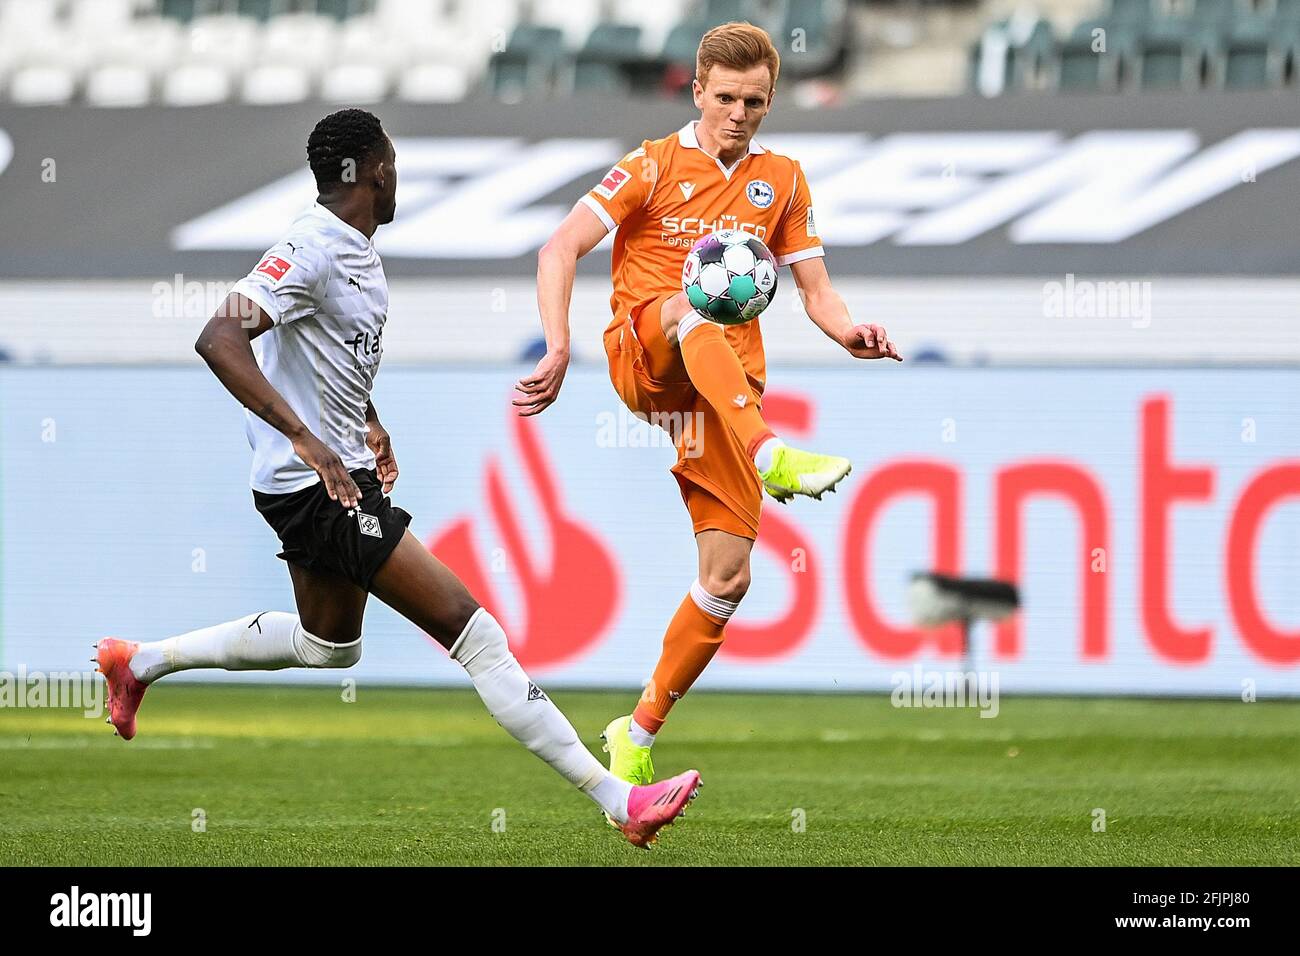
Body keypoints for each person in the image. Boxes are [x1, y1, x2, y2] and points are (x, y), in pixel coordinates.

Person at [95, 108, 699, 849]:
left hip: (331, 480)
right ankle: (619, 799)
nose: (396, 176)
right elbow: (218, 337)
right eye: (393, 165)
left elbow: (324, 351)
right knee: (473, 632)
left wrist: (365, 420)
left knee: (330, 647)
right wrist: (308, 440)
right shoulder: (311, 246)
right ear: (375, 171)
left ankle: (141, 660)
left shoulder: (353, 247)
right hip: (321, 489)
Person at [521, 23, 902, 793]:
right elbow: (558, 248)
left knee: (728, 579)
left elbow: (816, 290)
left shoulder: (784, 181)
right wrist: (558, 345)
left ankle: (638, 729)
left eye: (753, 101)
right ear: (697, 91)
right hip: (647, 354)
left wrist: (850, 332)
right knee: (695, 304)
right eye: (724, 97)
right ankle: (774, 454)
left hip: (722, 398)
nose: (737, 113)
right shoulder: (650, 166)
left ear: (769, 101)